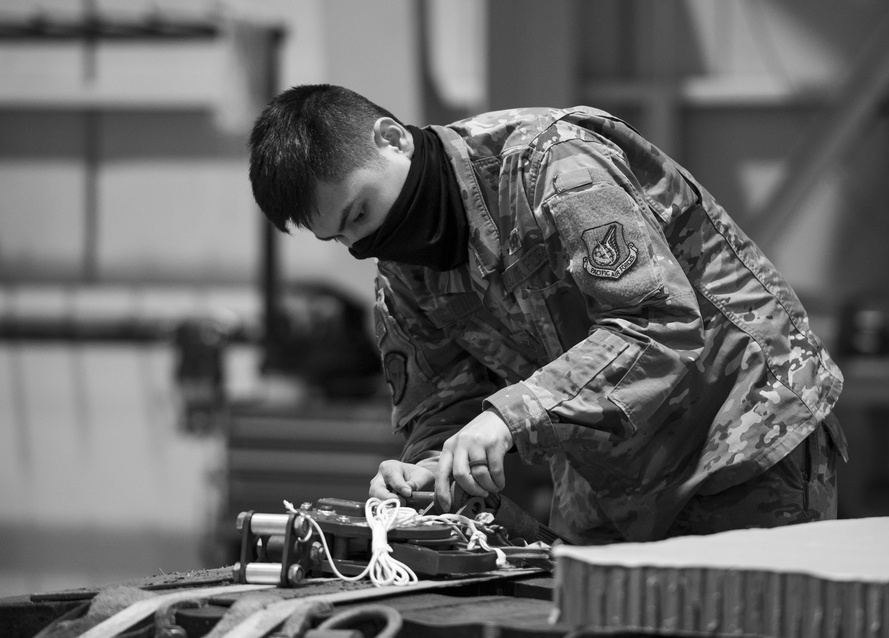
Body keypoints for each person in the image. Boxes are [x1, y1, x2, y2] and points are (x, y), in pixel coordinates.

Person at [248, 84, 849, 545]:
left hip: (737, 437)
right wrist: (428, 471)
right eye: (344, 238)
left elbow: (659, 325)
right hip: (607, 477)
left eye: (359, 212)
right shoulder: (400, 272)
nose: (369, 241)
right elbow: (438, 405)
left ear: (392, 137)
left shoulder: (553, 164)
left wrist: (509, 419)